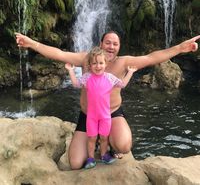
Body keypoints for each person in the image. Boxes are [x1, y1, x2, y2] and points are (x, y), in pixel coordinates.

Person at [15, 31, 200, 170]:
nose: (111, 47)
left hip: (112, 114)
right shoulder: (86, 59)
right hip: (88, 115)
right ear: (101, 43)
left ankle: (108, 144)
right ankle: (93, 141)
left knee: (124, 145)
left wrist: (180, 48)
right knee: (75, 162)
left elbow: (152, 57)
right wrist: (31, 43)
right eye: (108, 43)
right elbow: (58, 54)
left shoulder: (123, 62)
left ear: (119, 47)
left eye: (115, 44)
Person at [65, 46, 137, 169]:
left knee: (104, 137)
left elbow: (123, 84)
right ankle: (91, 158)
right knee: (91, 138)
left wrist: (130, 72)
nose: (98, 66)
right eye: (94, 63)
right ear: (90, 65)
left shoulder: (109, 78)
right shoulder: (87, 77)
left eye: (100, 63)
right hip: (91, 116)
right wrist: (70, 70)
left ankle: (104, 155)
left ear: (105, 64)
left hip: (105, 116)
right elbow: (76, 84)